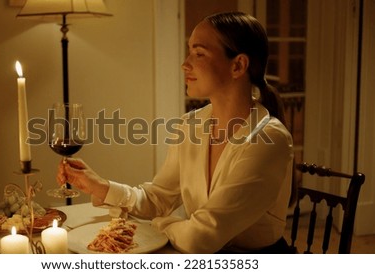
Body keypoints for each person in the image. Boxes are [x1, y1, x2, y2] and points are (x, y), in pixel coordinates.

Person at [57, 11, 294, 254]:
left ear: (238, 65)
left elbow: (199, 239)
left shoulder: (268, 140)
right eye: (189, 50)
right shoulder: (190, 125)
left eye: (199, 53)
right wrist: (101, 186)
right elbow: (158, 199)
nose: (185, 64)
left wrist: (162, 224)